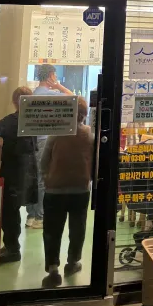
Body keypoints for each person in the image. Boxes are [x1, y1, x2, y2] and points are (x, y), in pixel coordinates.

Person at [40, 97, 96, 288]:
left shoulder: (56, 133)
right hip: (80, 189)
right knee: (77, 228)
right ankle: (72, 263)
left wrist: (47, 177)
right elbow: (94, 162)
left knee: (52, 230)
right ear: (84, 114)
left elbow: (44, 161)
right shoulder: (89, 134)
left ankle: (53, 269)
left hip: (54, 190)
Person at [0, 87, 38, 263]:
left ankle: (12, 249)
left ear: (14, 101)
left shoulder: (12, 121)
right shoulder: (34, 120)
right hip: (29, 171)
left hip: (13, 171)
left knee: (9, 211)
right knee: (14, 209)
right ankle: (12, 247)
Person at [27, 64, 75, 230]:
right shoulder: (50, 94)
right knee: (42, 178)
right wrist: (59, 86)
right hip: (43, 140)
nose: (56, 77)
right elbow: (72, 98)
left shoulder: (34, 93)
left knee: (33, 176)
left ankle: (31, 215)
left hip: (32, 139)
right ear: (50, 76)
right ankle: (40, 217)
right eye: (54, 75)